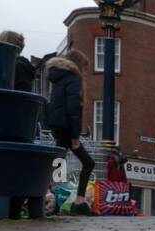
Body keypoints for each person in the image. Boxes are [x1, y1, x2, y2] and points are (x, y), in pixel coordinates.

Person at [43, 48, 95, 216]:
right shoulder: (73, 78)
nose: (85, 72)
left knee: (59, 161)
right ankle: (70, 201)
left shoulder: (59, 78)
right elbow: (74, 108)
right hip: (67, 128)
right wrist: (75, 135)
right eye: (85, 68)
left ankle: (55, 198)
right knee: (81, 163)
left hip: (58, 125)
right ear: (79, 65)